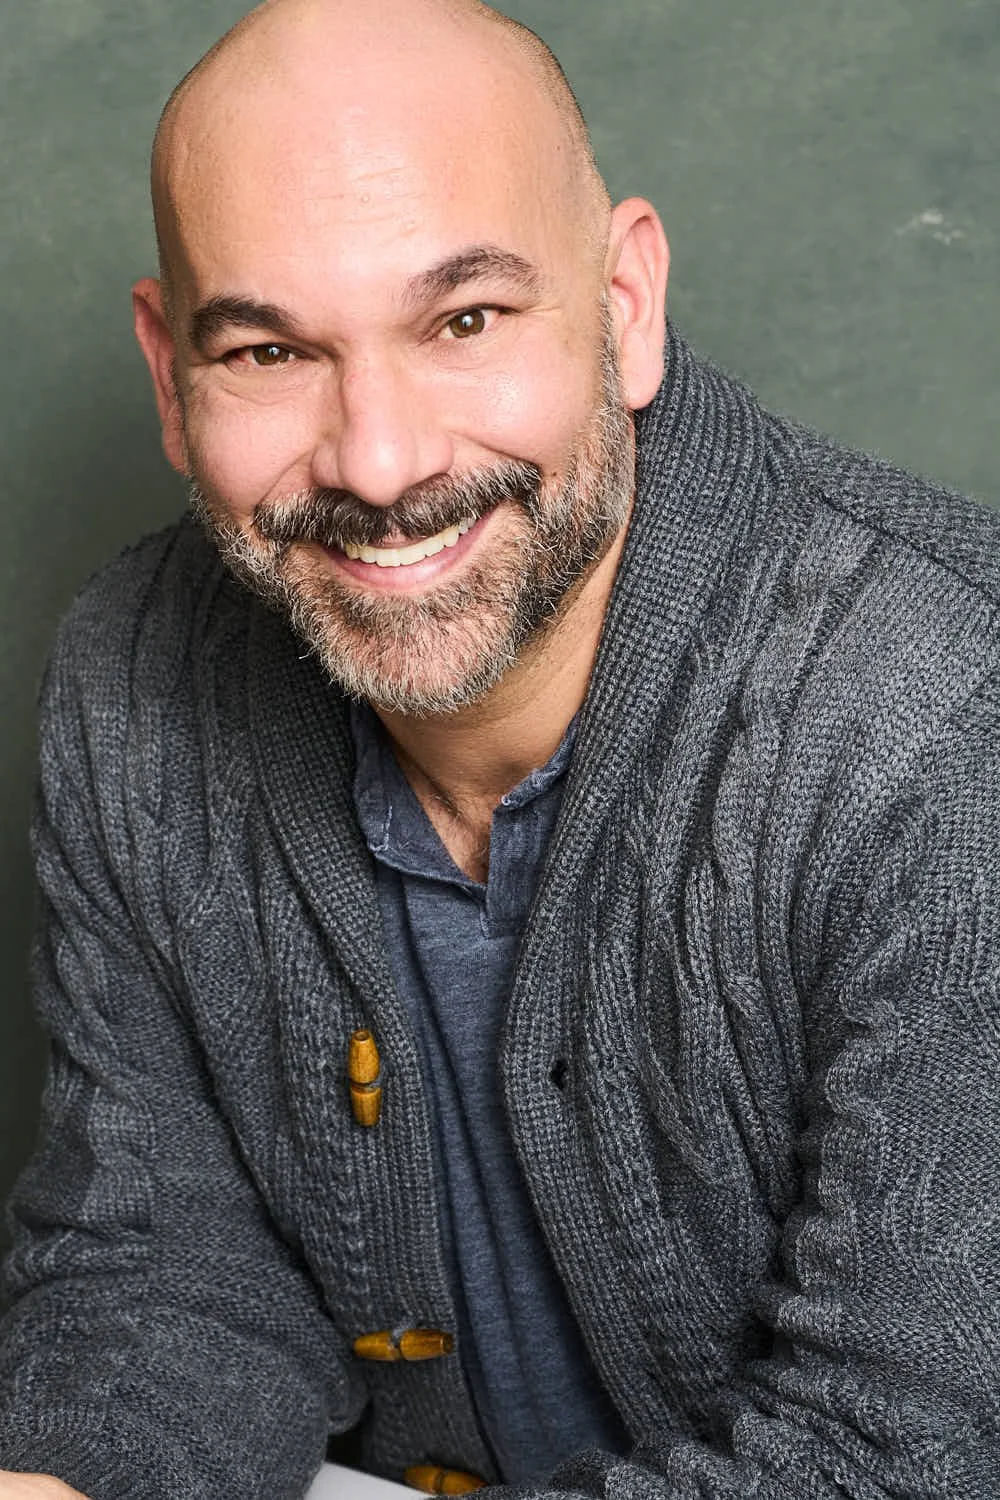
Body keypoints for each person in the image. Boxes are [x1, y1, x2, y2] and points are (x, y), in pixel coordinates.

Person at [2, 0, 999, 1495]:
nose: (382, 462)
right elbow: (164, 1261)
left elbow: (904, 1457)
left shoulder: (946, 710)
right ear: (170, 374)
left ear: (626, 301)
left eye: (464, 321)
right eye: (270, 351)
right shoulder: (133, 675)